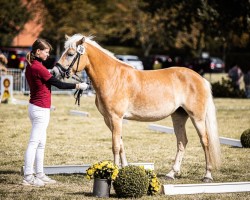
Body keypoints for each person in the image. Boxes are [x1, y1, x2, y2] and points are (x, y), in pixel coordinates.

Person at [23, 38, 88, 187]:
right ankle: (28, 176)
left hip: (37, 107)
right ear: (38, 52)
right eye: (46, 52)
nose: (47, 55)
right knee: (34, 143)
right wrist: (78, 85)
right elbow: (58, 84)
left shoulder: (33, 65)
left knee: (41, 144)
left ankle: (39, 173)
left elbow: (45, 81)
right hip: (40, 109)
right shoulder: (38, 68)